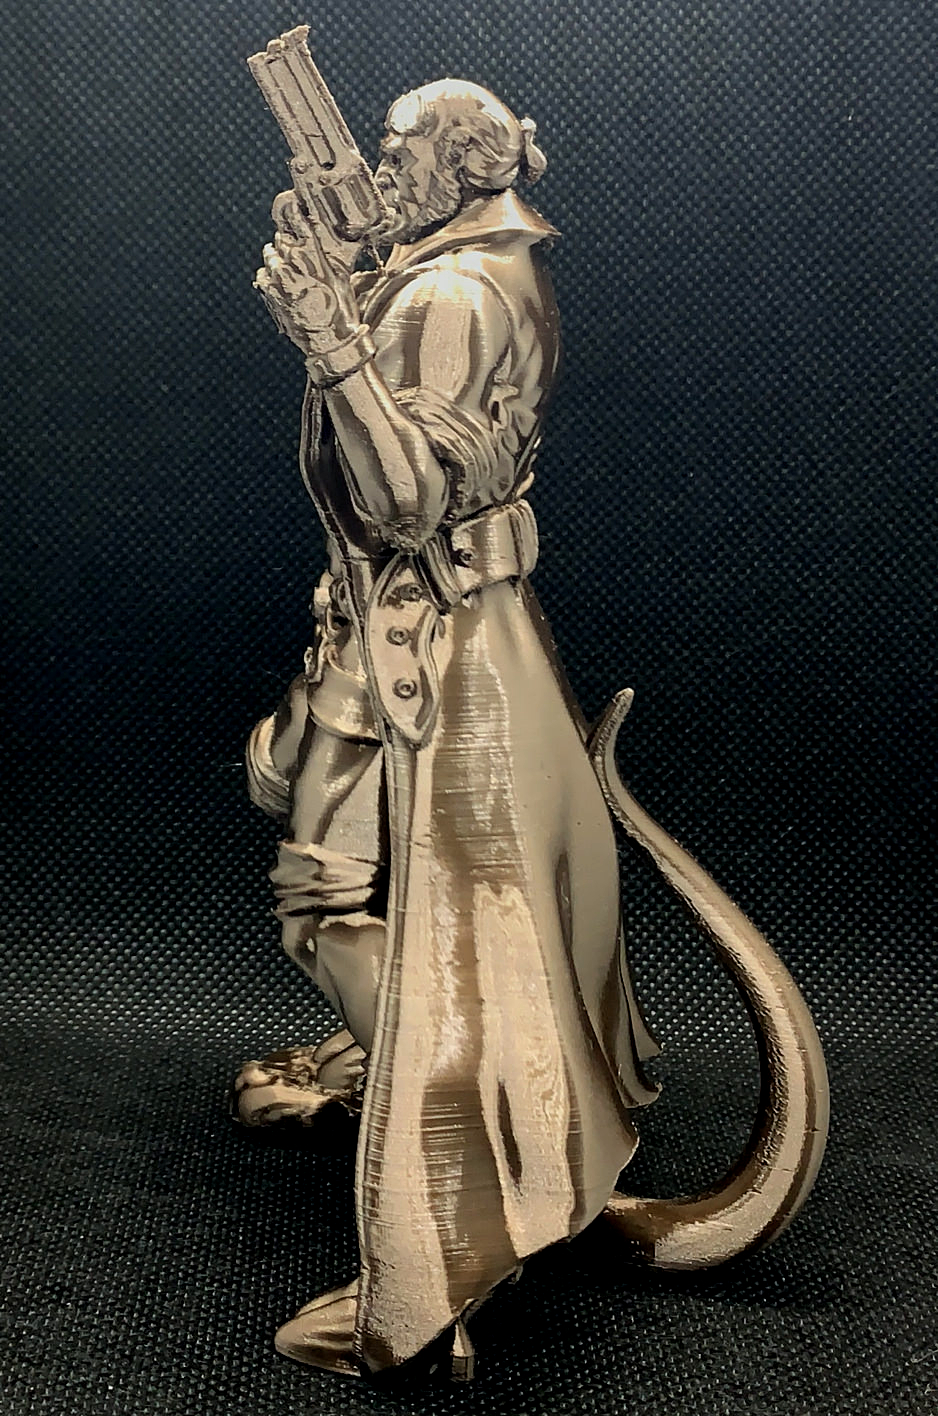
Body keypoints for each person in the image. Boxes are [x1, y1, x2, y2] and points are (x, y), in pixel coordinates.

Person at [237, 78, 660, 1378]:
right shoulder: (484, 269)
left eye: (398, 148)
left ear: (464, 161)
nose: (381, 166)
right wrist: (354, 287)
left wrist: (331, 340)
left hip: (419, 637)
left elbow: (406, 500)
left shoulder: (451, 293)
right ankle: (415, 1082)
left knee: (328, 901)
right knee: (464, 909)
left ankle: (443, 1238)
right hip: (440, 624)